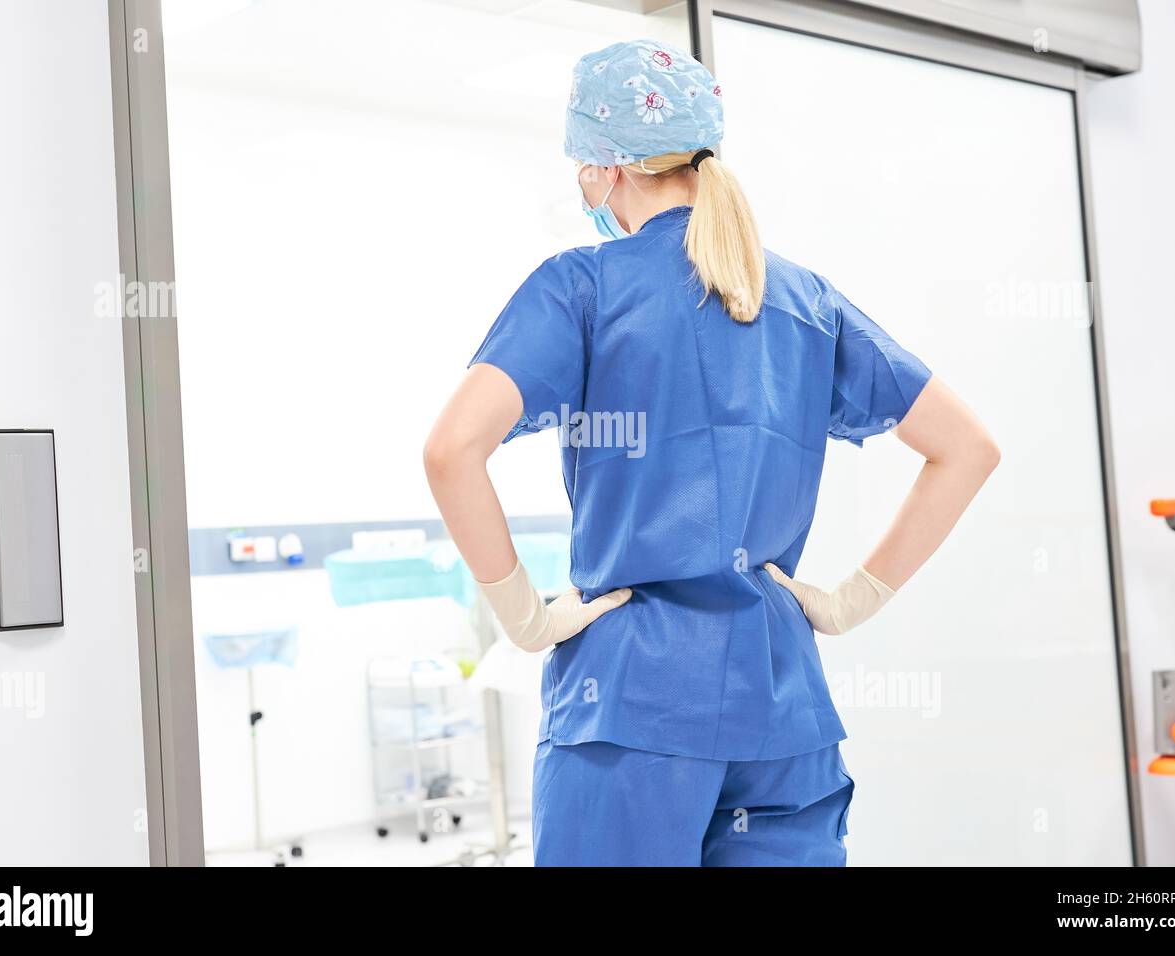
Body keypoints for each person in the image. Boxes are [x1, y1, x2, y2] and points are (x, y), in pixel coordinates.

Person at [424, 39, 998, 866]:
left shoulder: (582, 288)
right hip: (782, 710)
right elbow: (968, 447)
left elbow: (451, 451)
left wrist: (524, 617)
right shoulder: (804, 300)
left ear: (603, 167)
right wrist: (848, 602)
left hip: (630, 709)